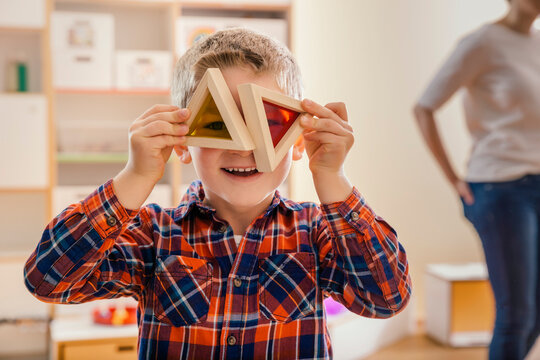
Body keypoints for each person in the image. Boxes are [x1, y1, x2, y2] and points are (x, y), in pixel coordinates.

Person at [24, 28, 411, 359]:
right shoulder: (152, 235)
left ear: (298, 140)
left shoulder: (318, 233)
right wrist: (136, 176)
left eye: (267, 123)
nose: (243, 148)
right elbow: (47, 278)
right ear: (181, 139)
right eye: (219, 122)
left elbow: (387, 296)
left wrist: (332, 178)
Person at [414, 1, 540, 358]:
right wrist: (454, 179)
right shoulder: (482, 43)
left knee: (535, 313)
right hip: (500, 188)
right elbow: (424, 106)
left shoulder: (536, 44)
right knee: (516, 315)